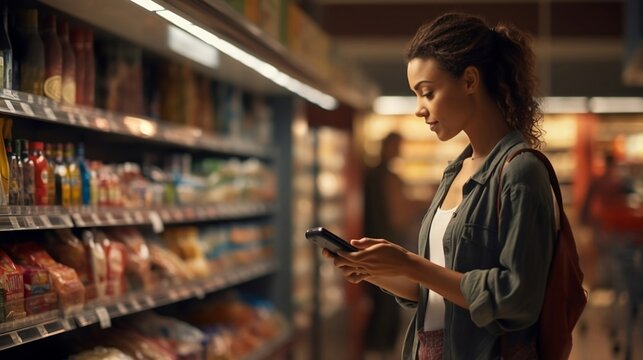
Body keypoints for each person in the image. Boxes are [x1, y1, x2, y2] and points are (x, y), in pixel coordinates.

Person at [323, 13, 557, 359]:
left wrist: (409, 263)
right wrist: (375, 271)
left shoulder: (521, 172)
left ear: (470, 81)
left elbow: (516, 298)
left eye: (427, 93)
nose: (420, 109)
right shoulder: (455, 171)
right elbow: (437, 292)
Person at [362, 132, 426, 359]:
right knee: (386, 309)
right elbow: (398, 215)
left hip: (371, 250)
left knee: (381, 306)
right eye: (397, 146)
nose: (399, 151)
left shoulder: (371, 174)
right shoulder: (387, 177)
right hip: (385, 251)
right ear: (387, 146)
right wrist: (427, 200)